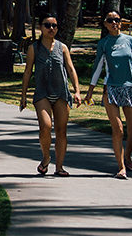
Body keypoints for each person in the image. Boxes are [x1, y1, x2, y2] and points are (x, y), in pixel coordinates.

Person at [83, 11, 132, 178]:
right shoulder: (104, 43)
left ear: (121, 22)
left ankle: (128, 156)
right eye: (110, 20)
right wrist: (90, 91)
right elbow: (98, 67)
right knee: (118, 130)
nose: (114, 23)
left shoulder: (130, 41)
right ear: (105, 24)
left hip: (130, 88)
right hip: (111, 88)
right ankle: (121, 167)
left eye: (116, 20)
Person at [18, 14, 83, 175]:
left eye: (54, 25)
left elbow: (70, 69)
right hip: (42, 94)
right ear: (41, 27)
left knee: (61, 131)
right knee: (45, 127)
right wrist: (23, 95)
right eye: (47, 25)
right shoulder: (34, 48)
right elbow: (27, 72)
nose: (51, 28)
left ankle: (59, 167)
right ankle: (46, 157)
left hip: (61, 93)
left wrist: (77, 91)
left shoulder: (62, 47)